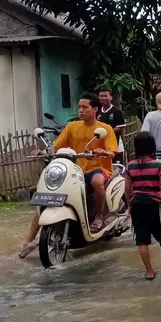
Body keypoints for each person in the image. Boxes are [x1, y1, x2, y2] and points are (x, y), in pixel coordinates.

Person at [51, 93, 118, 231]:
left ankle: (99, 217)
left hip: (98, 168)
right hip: (75, 169)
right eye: (79, 107)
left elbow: (112, 152)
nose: (80, 110)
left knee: (97, 182)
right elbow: (56, 146)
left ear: (95, 109)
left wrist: (104, 152)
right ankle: (30, 238)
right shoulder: (72, 127)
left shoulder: (105, 129)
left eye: (85, 107)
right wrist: (43, 151)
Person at [126, 131, 161, 280]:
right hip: (154, 203)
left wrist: (129, 206)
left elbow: (127, 189)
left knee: (142, 239)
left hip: (136, 203)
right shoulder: (157, 165)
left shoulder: (130, 166)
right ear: (152, 146)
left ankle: (149, 271)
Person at [97, 88, 126, 165]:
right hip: (100, 147)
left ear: (111, 98)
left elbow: (121, 128)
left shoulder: (117, 111)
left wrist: (106, 132)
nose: (103, 98)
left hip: (116, 146)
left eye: (105, 96)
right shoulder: (97, 112)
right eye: (101, 96)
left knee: (117, 168)